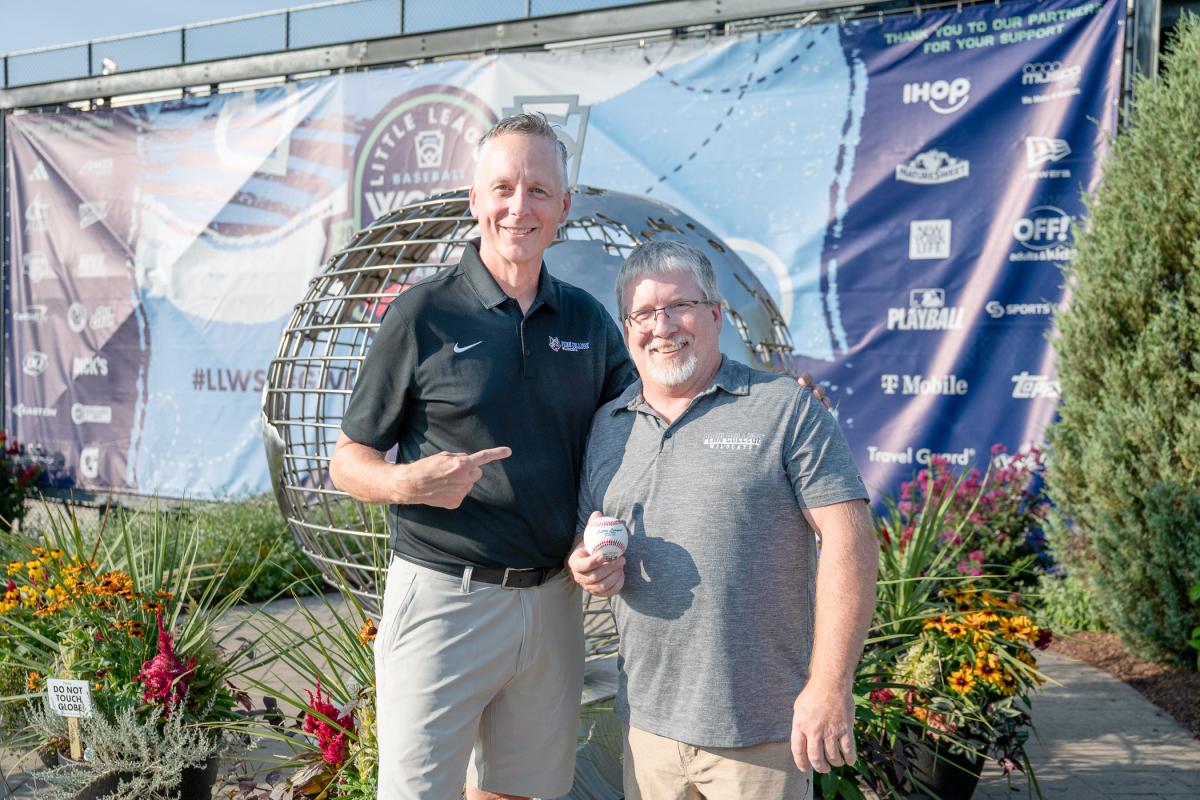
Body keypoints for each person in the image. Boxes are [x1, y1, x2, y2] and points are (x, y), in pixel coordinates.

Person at [329, 113, 635, 800]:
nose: (517, 207)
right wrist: (409, 481)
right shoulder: (422, 315)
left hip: (555, 601)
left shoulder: (587, 322)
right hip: (444, 596)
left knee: (521, 792)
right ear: (474, 199)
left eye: (537, 191)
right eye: (502, 187)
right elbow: (347, 461)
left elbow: (643, 421)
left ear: (563, 207)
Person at [568, 240, 879, 800]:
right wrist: (585, 567)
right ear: (626, 327)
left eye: (680, 306)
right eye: (644, 313)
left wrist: (830, 684)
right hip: (648, 727)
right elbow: (581, 534)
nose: (663, 326)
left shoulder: (783, 406)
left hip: (761, 734)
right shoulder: (608, 426)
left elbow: (848, 538)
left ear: (715, 314)